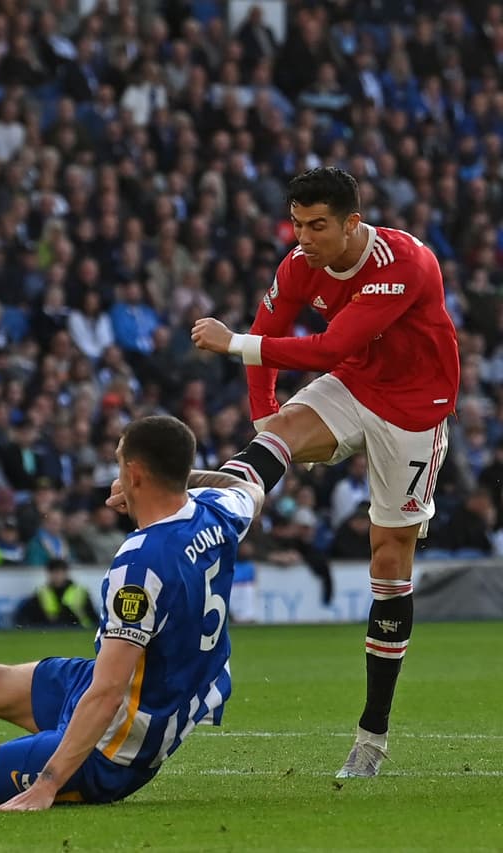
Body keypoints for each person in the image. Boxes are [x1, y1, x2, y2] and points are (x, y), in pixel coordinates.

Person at [0, 415, 264, 810]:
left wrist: (48, 781)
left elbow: (109, 691)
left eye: (119, 467)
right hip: (121, 690)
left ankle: (51, 754)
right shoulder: (216, 511)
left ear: (134, 474)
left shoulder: (141, 564)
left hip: (117, 745)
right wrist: (173, 479)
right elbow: (252, 489)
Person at [191, 167, 459, 778]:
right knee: (283, 432)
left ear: (352, 224)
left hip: (417, 409)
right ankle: (226, 507)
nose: (304, 237)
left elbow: (326, 346)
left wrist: (232, 342)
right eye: (296, 223)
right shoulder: (297, 265)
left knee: (389, 563)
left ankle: (372, 737)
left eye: (317, 226)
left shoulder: (405, 264)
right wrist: (264, 420)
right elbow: (273, 332)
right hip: (355, 383)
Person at [14, 558, 99, 629]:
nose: (57, 576)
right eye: (54, 572)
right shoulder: (42, 593)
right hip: (51, 630)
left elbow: (93, 616)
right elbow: (26, 614)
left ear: (66, 573)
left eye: (59, 572)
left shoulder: (80, 592)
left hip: (78, 629)